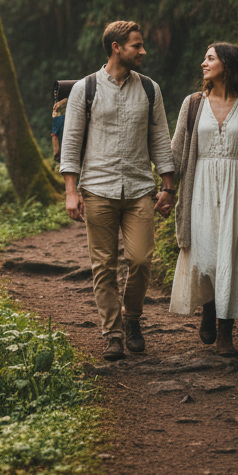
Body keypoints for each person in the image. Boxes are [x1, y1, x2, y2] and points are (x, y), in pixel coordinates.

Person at [59, 21, 176, 361]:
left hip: (140, 187)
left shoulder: (150, 89)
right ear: (116, 48)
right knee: (103, 266)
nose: (143, 51)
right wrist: (71, 190)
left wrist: (168, 186)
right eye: (136, 45)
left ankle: (133, 319)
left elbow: (160, 139)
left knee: (140, 260)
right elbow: (71, 142)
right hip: (97, 188)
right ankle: (112, 332)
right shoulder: (86, 88)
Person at [158, 42, 238, 355]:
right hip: (200, 189)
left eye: (210, 58)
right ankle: (209, 308)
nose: (203, 63)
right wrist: (166, 186)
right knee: (206, 256)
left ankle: (225, 332)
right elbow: (177, 151)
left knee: (230, 257)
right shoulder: (193, 104)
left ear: (228, 64)